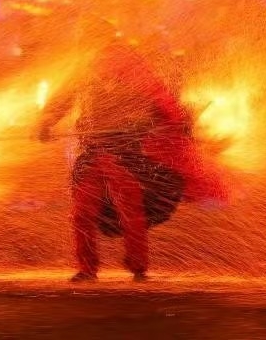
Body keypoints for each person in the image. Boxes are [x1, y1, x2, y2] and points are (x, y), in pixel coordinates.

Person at [37, 23, 201, 282]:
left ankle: (138, 267)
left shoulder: (133, 72)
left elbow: (160, 101)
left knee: (130, 211)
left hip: (125, 154)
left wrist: (154, 121)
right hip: (92, 152)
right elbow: (61, 100)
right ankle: (87, 268)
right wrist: (46, 122)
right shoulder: (84, 71)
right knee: (82, 212)